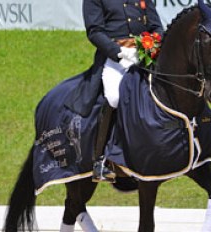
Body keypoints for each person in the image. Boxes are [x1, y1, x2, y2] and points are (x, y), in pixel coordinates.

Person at [83, 0, 164, 182]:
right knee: (114, 97)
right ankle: (101, 160)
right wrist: (118, 52)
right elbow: (94, 31)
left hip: (143, 56)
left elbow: (156, 27)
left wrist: (150, 46)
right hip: (115, 58)